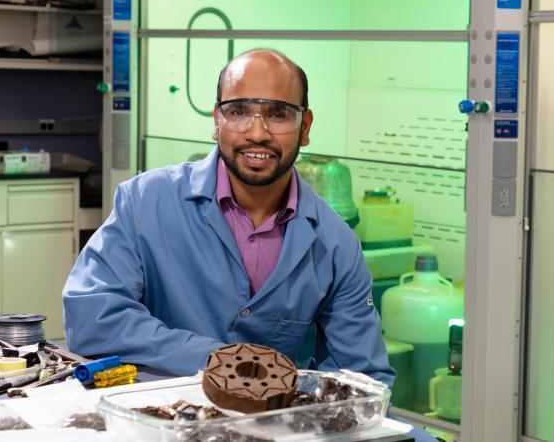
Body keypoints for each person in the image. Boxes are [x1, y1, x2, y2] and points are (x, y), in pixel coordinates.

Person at [62, 49, 394, 387]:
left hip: (269, 428)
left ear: (304, 127)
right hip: (155, 420)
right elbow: (91, 317)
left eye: (278, 114)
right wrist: (222, 360)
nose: (257, 133)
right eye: (238, 112)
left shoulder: (336, 244)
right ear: (217, 121)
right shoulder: (145, 201)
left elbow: (362, 377)